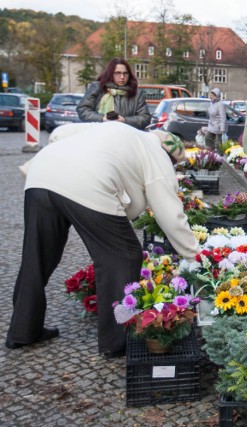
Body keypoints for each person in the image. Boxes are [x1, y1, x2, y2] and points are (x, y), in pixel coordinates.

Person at [5, 122, 199, 358]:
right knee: (123, 256)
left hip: (41, 174)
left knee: (37, 256)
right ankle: (116, 342)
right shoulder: (158, 155)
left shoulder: (122, 131)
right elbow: (171, 215)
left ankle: (22, 331)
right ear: (171, 155)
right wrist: (194, 255)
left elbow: (60, 133)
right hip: (89, 183)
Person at [76, 57, 151, 130]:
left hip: (126, 136)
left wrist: (125, 120)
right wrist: (102, 118)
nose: (122, 77)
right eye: (118, 73)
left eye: (125, 73)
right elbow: (83, 110)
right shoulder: (98, 87)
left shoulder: (136, 93)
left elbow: (145, 118)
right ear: (110, 73)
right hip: (99, 134)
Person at [205, 87, 228, 152]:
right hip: (212, 125)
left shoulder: (221, 104)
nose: (211, 96)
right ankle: (211, 152)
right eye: (211, 95)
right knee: (207, 138)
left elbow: (223, 117)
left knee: (218, 144)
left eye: (213, 95)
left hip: (219, 126)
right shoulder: (212, 103)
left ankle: (220, 156)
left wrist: (222, 130)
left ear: (217, 96)